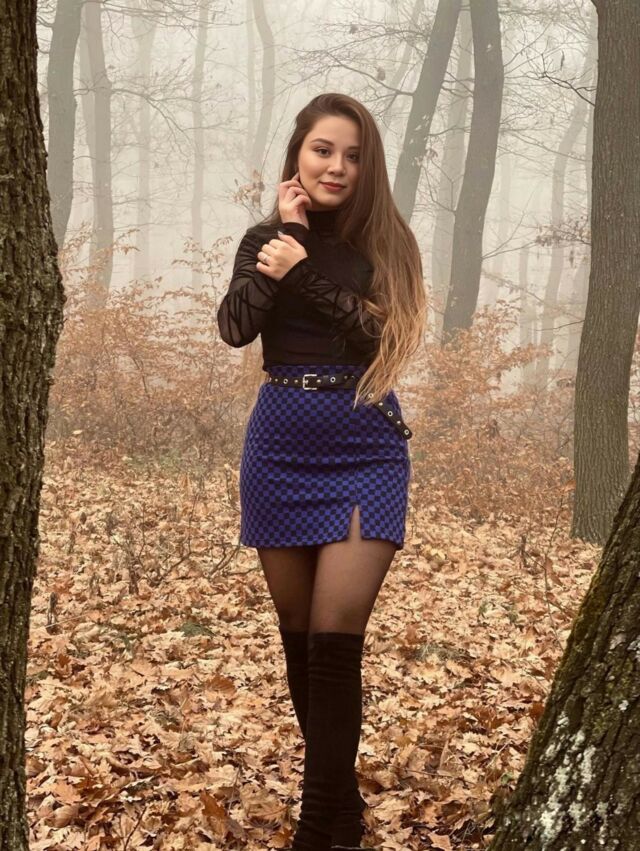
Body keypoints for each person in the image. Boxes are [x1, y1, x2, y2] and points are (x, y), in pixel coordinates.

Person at [217, 93, 426, 851]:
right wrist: (288, 243)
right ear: (298, 157)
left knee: (336, 640)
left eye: (353, 155)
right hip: (279, 446)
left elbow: (383, 338)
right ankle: (341, 812)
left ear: (370, 167)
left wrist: (303, 272)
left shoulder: (388, 243)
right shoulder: (265, 240)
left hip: (366, 446)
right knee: (301, 640)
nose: (337, 166)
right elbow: (235, 327)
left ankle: (315, 828)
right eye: (323, 150)